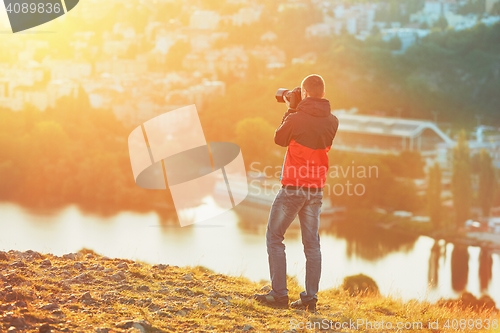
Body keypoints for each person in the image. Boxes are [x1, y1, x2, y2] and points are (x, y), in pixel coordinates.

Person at [254, 74, 339, 312]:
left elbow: (279, 139)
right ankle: (309, 299)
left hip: (293, 188)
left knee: (274, 237)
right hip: (316, 190)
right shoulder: (333, 121)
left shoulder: (297, 117)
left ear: (303, 92)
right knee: (312, 245)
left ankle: (279, 295)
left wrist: (291, 109)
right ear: (322, 93)